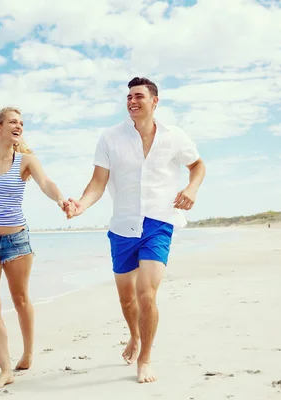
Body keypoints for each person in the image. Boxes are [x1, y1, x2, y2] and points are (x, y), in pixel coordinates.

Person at [64, 77, 206, 383]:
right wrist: (81, 206)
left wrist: (192, 188)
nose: (132, 101)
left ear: (155, 101)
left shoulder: (175, 136)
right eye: (128, 96)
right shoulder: (110, 137)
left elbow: (198, 166)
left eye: (139, 96)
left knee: (146, 295)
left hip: (159, 221)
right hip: (122, 225)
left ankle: (145, 358)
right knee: (127, 299)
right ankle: (134, 336)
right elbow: (98, 183)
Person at [0, 106, 72, 390]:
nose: (18, 126)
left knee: (20, 299)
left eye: (21, 123)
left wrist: (61, 200)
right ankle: (4, 368)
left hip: (16, 241)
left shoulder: (26, 160)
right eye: (13, 121)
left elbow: (46, 183)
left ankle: (27, 353)